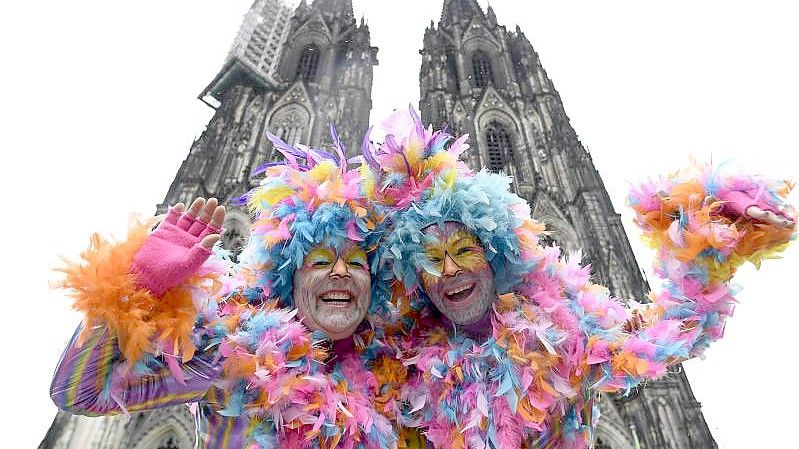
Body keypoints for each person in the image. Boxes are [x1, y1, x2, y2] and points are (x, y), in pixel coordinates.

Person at [371, 107, 797, 448]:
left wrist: (706, 239)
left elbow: (664, 335)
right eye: (430, 260)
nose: (450, 269)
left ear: (495, 256)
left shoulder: (562, 337)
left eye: (464, 250)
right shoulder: (398, 362)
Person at [50, 128, 398, 449]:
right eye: (320, 261)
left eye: (356, 263)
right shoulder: (230, 363)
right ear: (289, 280)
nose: (340, 272)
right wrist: (134, 288)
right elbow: (78, 393)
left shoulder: (395, 375)